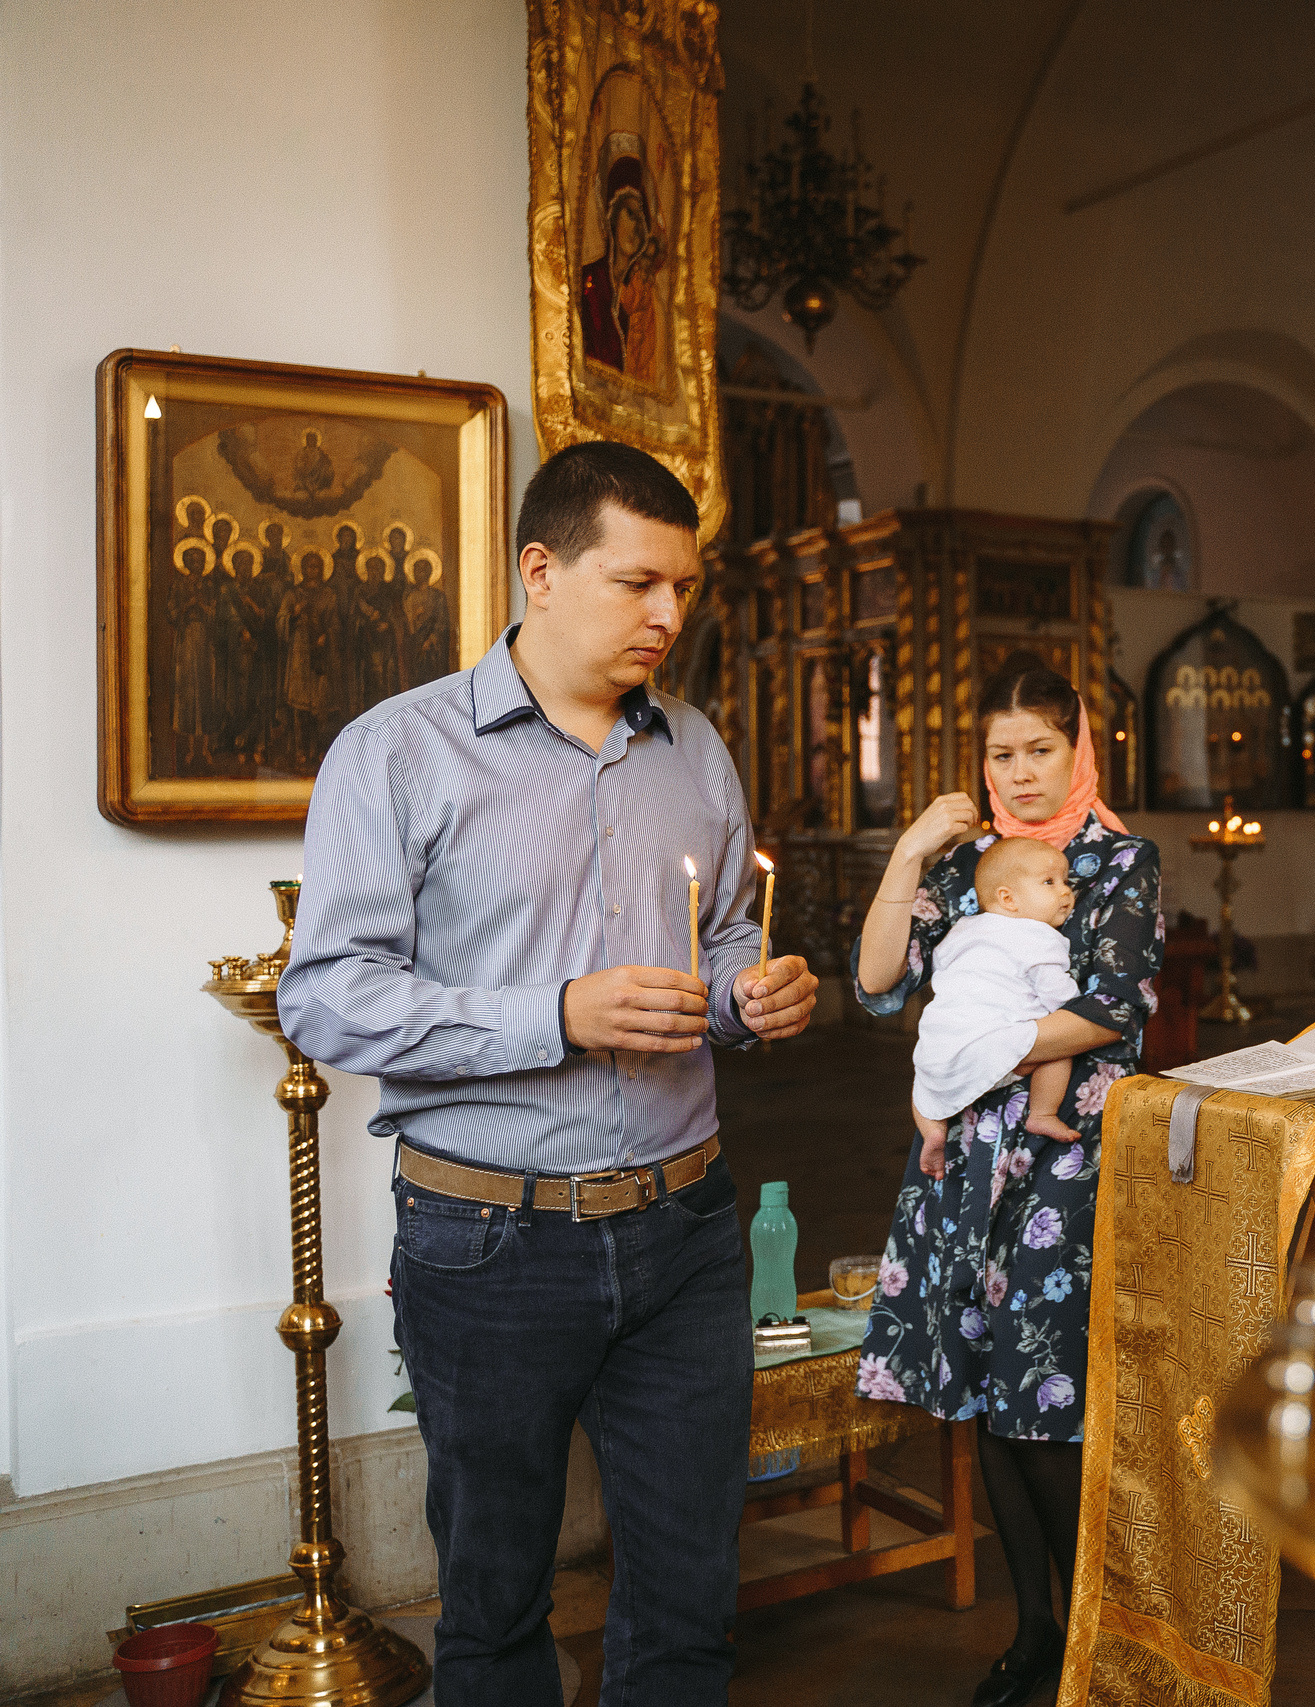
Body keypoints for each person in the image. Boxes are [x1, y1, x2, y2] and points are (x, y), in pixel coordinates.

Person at [279, 440, 818, 1706]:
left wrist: (748, 993)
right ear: (540, 569)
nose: (668, 616)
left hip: (688, 1228)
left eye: (681, 587)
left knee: (689, 1602)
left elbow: (726, 933)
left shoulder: (695, 748)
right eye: (639, 583)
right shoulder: (400, 751)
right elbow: (327, 997)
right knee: (497, 1606)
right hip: (489, 1241)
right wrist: (557, 1014)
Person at [851, 666, 1161, 1707]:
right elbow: (876, 981)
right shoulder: (968, 865)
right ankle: (1034, 1628)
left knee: (1044, 1399)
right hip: (959, 1169)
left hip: (1060, 1159)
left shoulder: (1118, 862)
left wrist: (978, 1052)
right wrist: (907, 853)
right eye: (1000, 754)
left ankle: (1090, 1637)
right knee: (988, 1398)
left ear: (1079, 747)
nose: (1021, 775)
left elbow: (1113, 1008)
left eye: (1040, 749)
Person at [909, 834, 1085, 1179]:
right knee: (1061, 1047)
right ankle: (1043, 1114)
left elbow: (941, 964)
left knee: (925, 1078)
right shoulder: (1041, 938)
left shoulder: (964, 929)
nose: (1065, 891)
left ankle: (932, 1129)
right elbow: (1060, 999)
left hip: (943, 1037)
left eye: (1066, 881)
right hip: (996, 1040)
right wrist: (1075, 1002)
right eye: (1049, 882)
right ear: (1008, 899)